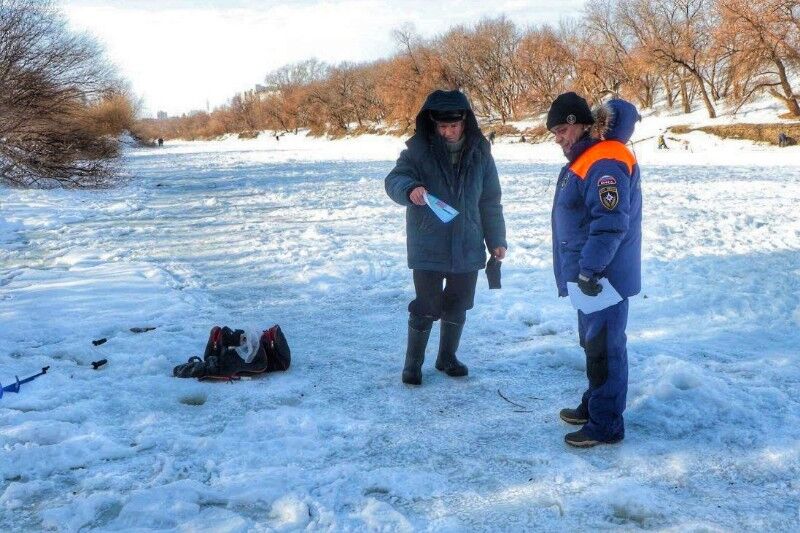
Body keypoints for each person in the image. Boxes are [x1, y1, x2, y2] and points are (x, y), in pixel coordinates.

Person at [385, 89, 507, 386]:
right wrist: (409, 189)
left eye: (453, 126)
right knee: (426, 305)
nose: (448, 132)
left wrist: (497, 240)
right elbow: (394, 179)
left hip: (467, 243)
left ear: (465, 121)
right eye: (442, 127)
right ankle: (413, 363)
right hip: (428, 243)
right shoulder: (417, 151)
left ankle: (447, 358)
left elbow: (490, 200)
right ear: (432, 124)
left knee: (459, 302)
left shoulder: (481, 151)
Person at [548, 92, 642, 447]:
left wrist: (589, 270)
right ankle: (596, 403)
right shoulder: (587, 157)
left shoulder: (603, 160)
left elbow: (610, 222)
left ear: (576, 124)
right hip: (591, 276)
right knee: (594, 345)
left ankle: (606, 424)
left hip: (603, 278)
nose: (557, 139)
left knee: (605, 348)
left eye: (559, 130)